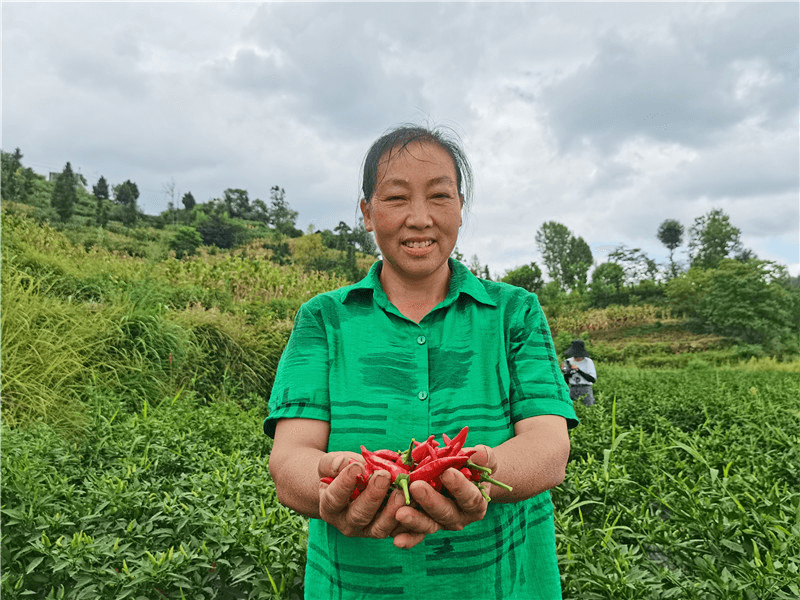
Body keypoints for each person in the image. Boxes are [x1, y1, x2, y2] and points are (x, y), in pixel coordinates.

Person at [264, 124, 579, 600]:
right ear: (368, 213)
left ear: (459, 208)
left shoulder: (515, 313)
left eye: (439, 196)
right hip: (355, 586)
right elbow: (290, 459)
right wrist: (329, 488)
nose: (419, 218)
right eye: (395, 199)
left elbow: (549, 447)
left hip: (503, 584)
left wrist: (484, 475)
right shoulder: (324, 320)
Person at [561, 339, 597, 406]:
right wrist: (566, 372)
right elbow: (566, 381)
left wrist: (578, 370)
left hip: (585, 388)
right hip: (572, 388)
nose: (575, 358)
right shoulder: (568, 361)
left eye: (577, 356)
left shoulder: (588, 362)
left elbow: (592, 379)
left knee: (588, 408)